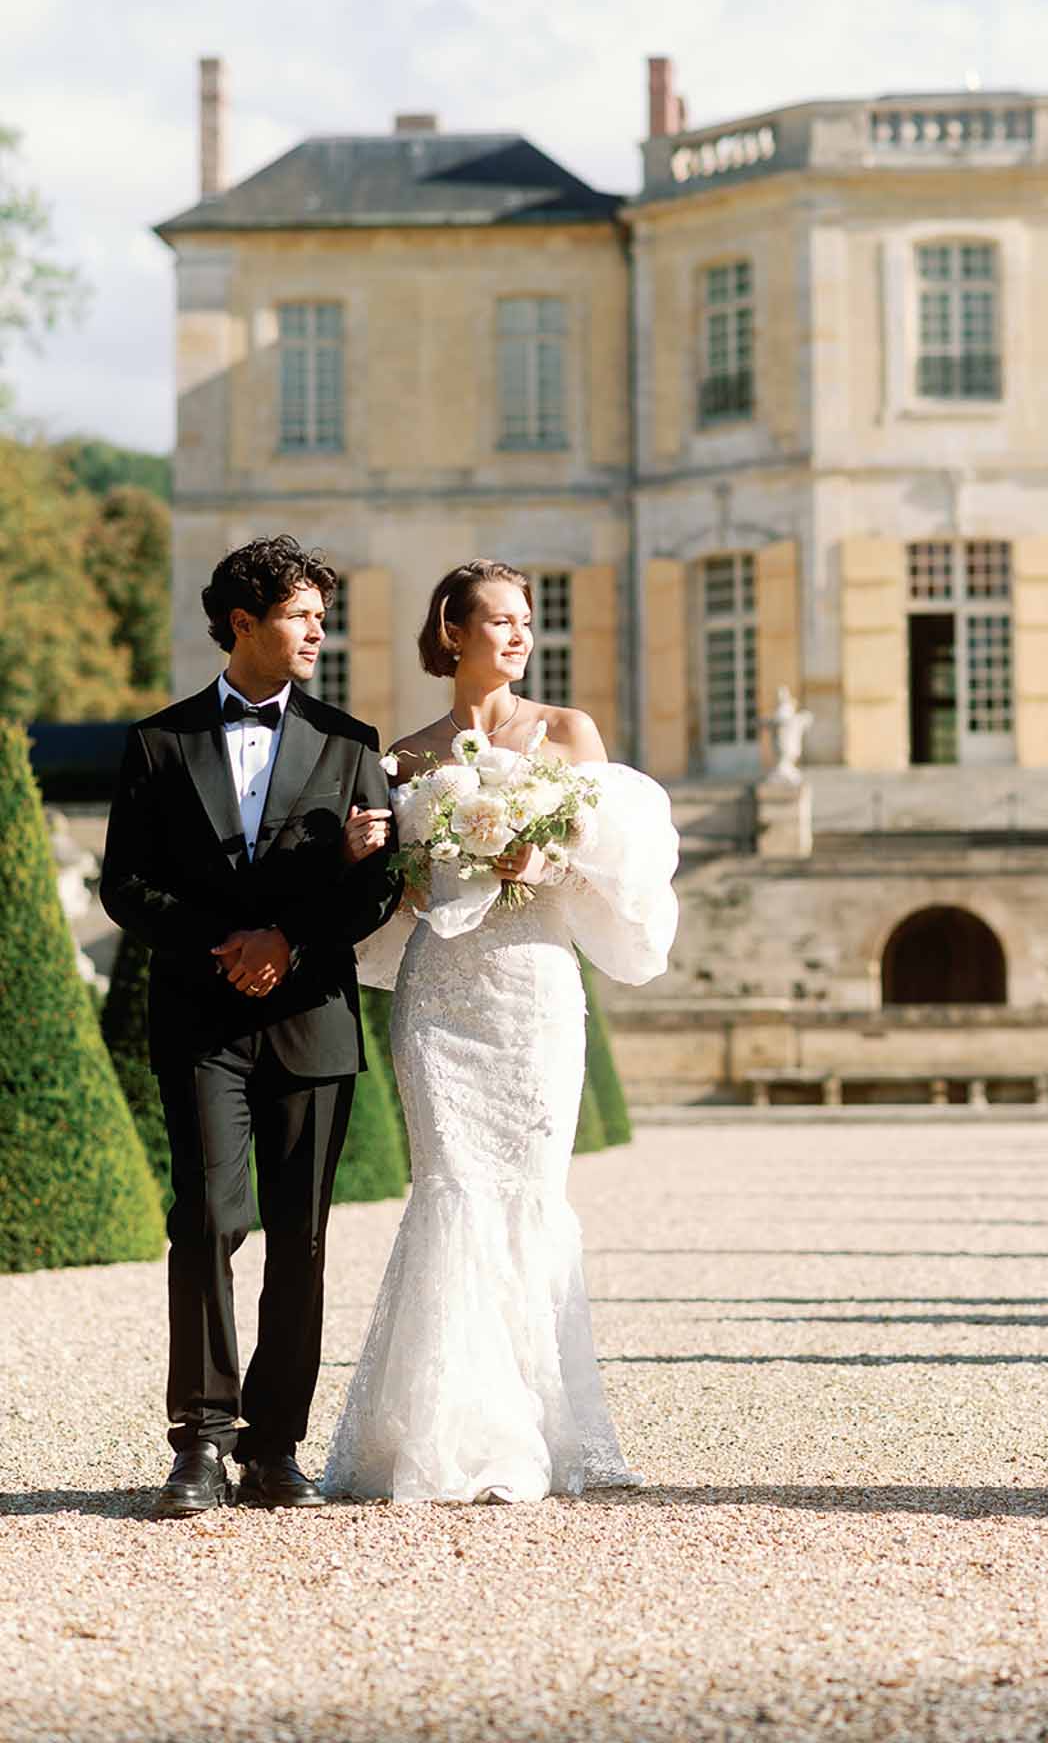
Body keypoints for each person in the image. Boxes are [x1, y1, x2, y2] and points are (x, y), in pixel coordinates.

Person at [323, 558, 679, 1505]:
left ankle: (547, 1431)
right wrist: (373, 854)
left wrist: (544, 851)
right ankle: (442, 1435)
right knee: (450, 1188)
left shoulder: (565, 733)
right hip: (441, 994)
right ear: (452, 632)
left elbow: (620, 865)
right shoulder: (404, 755)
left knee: (529, 1194)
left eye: (526, 621)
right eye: (500, 620)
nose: (519, 635)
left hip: (534, 988)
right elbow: (391, 898)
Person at [100, 535, 400, 1518]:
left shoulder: (354, 742)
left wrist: (287, 941)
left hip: (312, 1020)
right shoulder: (158, 742)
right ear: (243, 621)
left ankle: (276, 1449)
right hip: (202, 1019)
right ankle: (200, 1443)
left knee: (302, 1239)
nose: (320, 628)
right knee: (206, 1222)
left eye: (322, 613)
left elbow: (380, 887)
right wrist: (225, 943)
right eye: (302, 614)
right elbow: (124, 885)